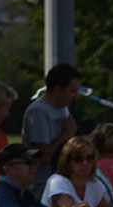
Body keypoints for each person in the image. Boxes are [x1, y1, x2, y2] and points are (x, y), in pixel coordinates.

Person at [22, 63, 82, 197]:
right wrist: (66, 134)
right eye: (72, 91)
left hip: (61, 184)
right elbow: (43, 156)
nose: (76, 96)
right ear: (57, 90)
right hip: (42, 186)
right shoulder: (38, 111)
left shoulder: (64, 108)